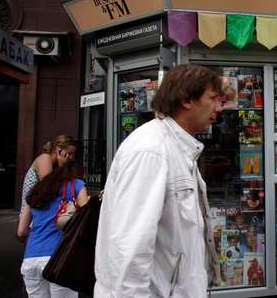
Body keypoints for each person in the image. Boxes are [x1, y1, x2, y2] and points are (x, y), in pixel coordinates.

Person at [94, 65, 223, 298]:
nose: (218, 107)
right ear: (186, 100)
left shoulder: (178, 148)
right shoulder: (151, 150)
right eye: (212, 98)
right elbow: (130, 248)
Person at [17, 162, 88, 298]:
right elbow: (86, 218)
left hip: (31, 259)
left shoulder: (35, 191)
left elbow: (21, 231)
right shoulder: (77, 185)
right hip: (60, 259)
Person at [21, 135, 77, 212]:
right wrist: (62, 166)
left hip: (42, 210)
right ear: (58, 150)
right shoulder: (45, 158)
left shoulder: (55, 165)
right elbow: (48, 188)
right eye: (70, 153)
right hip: (32, 214)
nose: (71, 157)